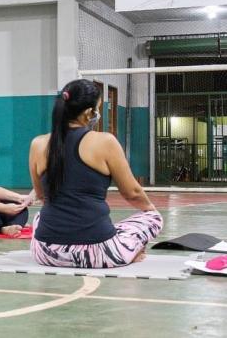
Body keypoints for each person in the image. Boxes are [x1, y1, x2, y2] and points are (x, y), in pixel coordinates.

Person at [29, 79, 163, 268]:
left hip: (46, 253)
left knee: (39, 217)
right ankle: (129, 250)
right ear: (87, 113)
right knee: (153, 218)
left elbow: (42, 195)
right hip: (97, 253)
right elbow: (132, 193)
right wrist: (150, 209)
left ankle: (119, 243)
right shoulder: (105, 142)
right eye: (97, 108)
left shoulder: (38, 143)